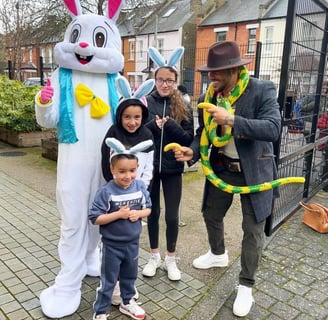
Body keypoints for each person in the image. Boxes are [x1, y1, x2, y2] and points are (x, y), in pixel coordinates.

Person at [173, 41, 281, 317]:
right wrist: (192, 151)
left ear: (234, 70)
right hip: (222, 166)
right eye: (210, 72)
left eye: (217, 72)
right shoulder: (208, 95)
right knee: (210, 213)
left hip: (255, 170)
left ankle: (246, 285)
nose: (212, 77)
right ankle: (217, 253)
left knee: (252, 229)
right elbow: (202, 134)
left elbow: (273, 129)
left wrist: (232, 119)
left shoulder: (261, 89)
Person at [100, 76, 155, 305]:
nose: (132, 122)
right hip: (115, 196)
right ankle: (109, 285)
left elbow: (149, 170)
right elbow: (106, 164)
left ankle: (127, 286)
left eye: (137, 117)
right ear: (120, 117)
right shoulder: (113, 133)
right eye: (127, 117)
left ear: (142, 117)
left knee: (131, 245)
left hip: (136, 198)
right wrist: (116, 189)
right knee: (112, 244)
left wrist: (139, 193)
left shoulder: (147, 137)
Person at [142, 47, 194, 281]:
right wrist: (154, 127)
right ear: (155, 81)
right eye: (161, 80)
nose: (165, 84)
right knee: (152, 213)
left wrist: (171, 125)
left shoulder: (183, 104)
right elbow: (138, 132)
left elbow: (188, 138)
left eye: (169, 81)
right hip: (150, 167)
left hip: (173, 168)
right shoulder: (145, 102)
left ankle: (170, 260)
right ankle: (154, 257)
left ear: (175, 82)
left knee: (172, 216)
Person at [89, 137, 152, 320]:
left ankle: (127, 302)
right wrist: (119, 214)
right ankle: (100, 311)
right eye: (122, 171)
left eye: (132, 170)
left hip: (133, 244)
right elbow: (95, 218)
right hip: (111, 246)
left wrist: (138, 214)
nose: (128, 176)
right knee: (108, 281)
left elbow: (148, 208)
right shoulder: (106, 191)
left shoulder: (140, 186)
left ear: (137, 168)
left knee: (130, 277)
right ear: (112, 170)